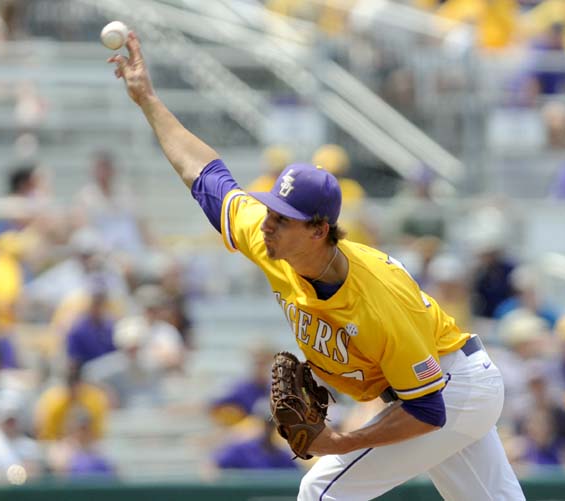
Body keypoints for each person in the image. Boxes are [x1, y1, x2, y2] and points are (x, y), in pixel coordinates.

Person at [108, 32, 525, 500]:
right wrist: (147, 98)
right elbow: (204, 174)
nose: (266, 224)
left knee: (322, 492)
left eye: (282, 220)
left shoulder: (376, 296)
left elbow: (427, 409)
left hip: (449, 389)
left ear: (318, 230)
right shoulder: (271, 241)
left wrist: (345, 441)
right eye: (268, 211)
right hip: (448, 388)